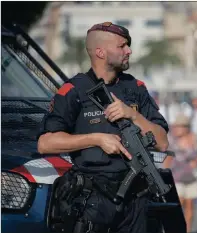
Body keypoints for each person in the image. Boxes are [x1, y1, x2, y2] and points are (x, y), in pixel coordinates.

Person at [37, 22, 169, 233]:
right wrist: (96, 139)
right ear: (100, 51)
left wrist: (132, 114)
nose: (129, 51)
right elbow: (45, 143)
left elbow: (162, 142)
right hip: (93, 200)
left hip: (135, 201)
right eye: (122, 46)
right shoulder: (74, 90)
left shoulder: (136, 88)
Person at [163, 113, 197, 233]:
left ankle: (187, 230)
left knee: (189, 206)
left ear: (186, 127)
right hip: (176, 178)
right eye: (176, 126)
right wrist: (164, 175)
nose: (177, 129)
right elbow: (167, 158)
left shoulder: (196, 139)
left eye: (180, 126)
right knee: (179, 205)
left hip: (192, 177)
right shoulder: (171, 140)